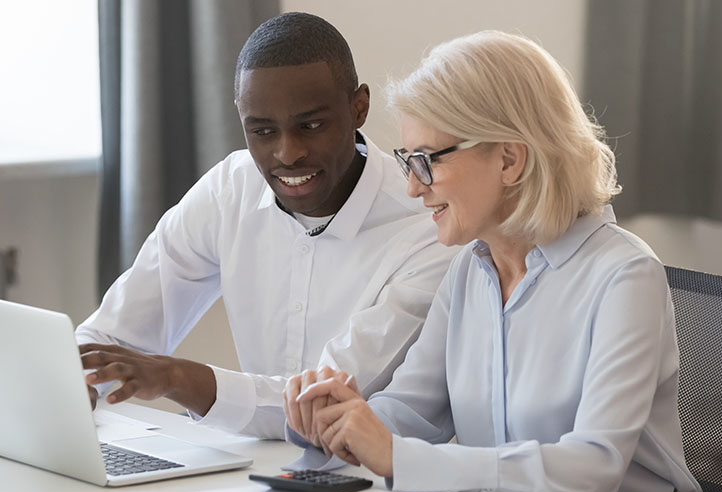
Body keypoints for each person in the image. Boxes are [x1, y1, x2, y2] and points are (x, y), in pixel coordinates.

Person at [284, 31, 703, 492]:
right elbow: (413, 413)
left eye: (426, 161)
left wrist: (397, 456)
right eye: (409, 162)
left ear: (509, 159)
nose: (413, 188)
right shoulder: (469, 270)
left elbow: (594, 467)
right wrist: (334, 421)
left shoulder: (625, 277)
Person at [76, 12, 457, 440]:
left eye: (310, 126)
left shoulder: (426, 226)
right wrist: (72, 381)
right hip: (250, 467)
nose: (287, 153)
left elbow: (326, 401)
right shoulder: (230, 189)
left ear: (358, 107)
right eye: (262, 131)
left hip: (367, 477)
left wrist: (177, 378)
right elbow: (113, 334)